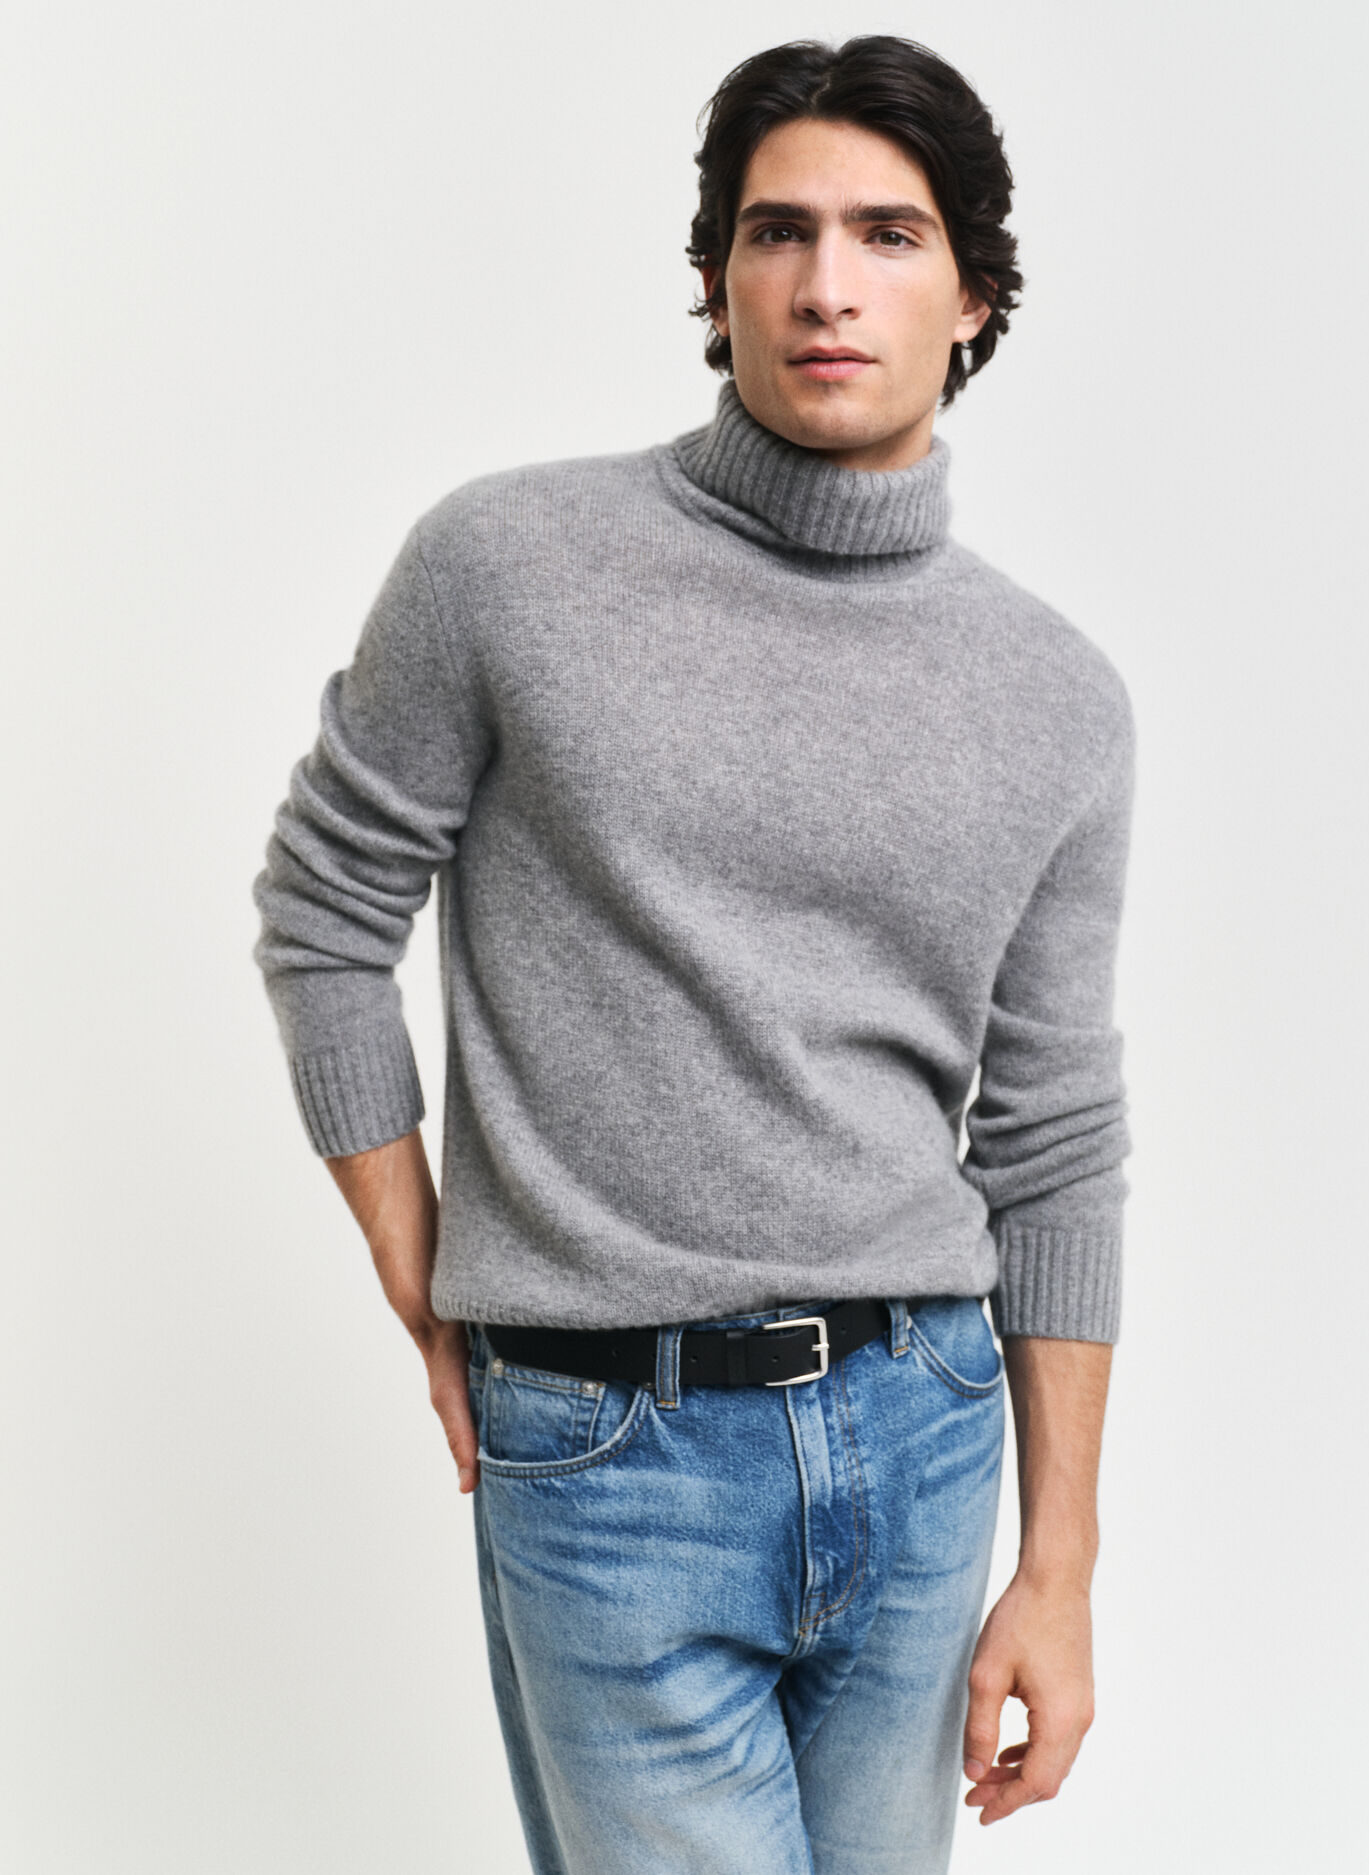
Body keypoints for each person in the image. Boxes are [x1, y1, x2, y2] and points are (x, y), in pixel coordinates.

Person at [250, 33, 1136, 1875]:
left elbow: (1053, 1137)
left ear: (974, 295)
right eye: (777, 231)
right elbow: (327, 913)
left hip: (927, 1430)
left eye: (889, 236)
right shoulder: (508, 567)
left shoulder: (1057, 695)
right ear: (717, 275)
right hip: (609, 1448)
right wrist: (424, 1274)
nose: (826, 285)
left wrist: (1058, 1566)